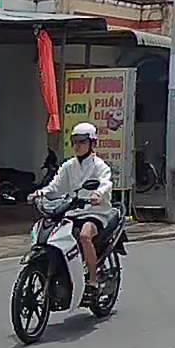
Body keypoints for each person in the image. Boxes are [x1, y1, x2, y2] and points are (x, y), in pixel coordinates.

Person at [31, 122, 113, 301]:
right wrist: (41, 193)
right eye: (74, 142)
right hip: (72, 211)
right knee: (56, 236)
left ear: (92, 143)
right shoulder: (68, 166)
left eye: (82, 142)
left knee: (84, 236)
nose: (77, 146)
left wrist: (98, 194)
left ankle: (93, 280)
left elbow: (106, 183)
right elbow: (55, 187)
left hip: (96, 212)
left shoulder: (100, 166)